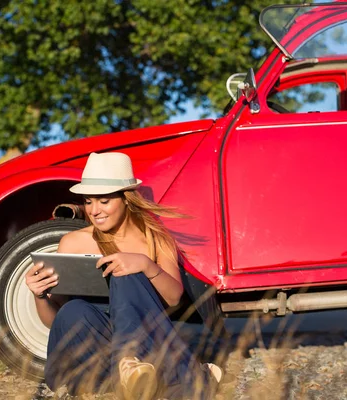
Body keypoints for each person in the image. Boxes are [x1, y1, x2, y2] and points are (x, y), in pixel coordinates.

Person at [25, 152, 222, 399]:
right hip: (89, 357)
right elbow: (58, 321)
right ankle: (186, 377)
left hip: (141, 354)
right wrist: (40, 296)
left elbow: (173, 299)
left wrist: (145, 265)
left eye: (104, 201)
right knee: (74, 308)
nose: (94, 211)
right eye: (88, 201)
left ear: (127, 200)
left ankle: (132, 365)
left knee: (125, 273)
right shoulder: (73, 242)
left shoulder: (155, 239)